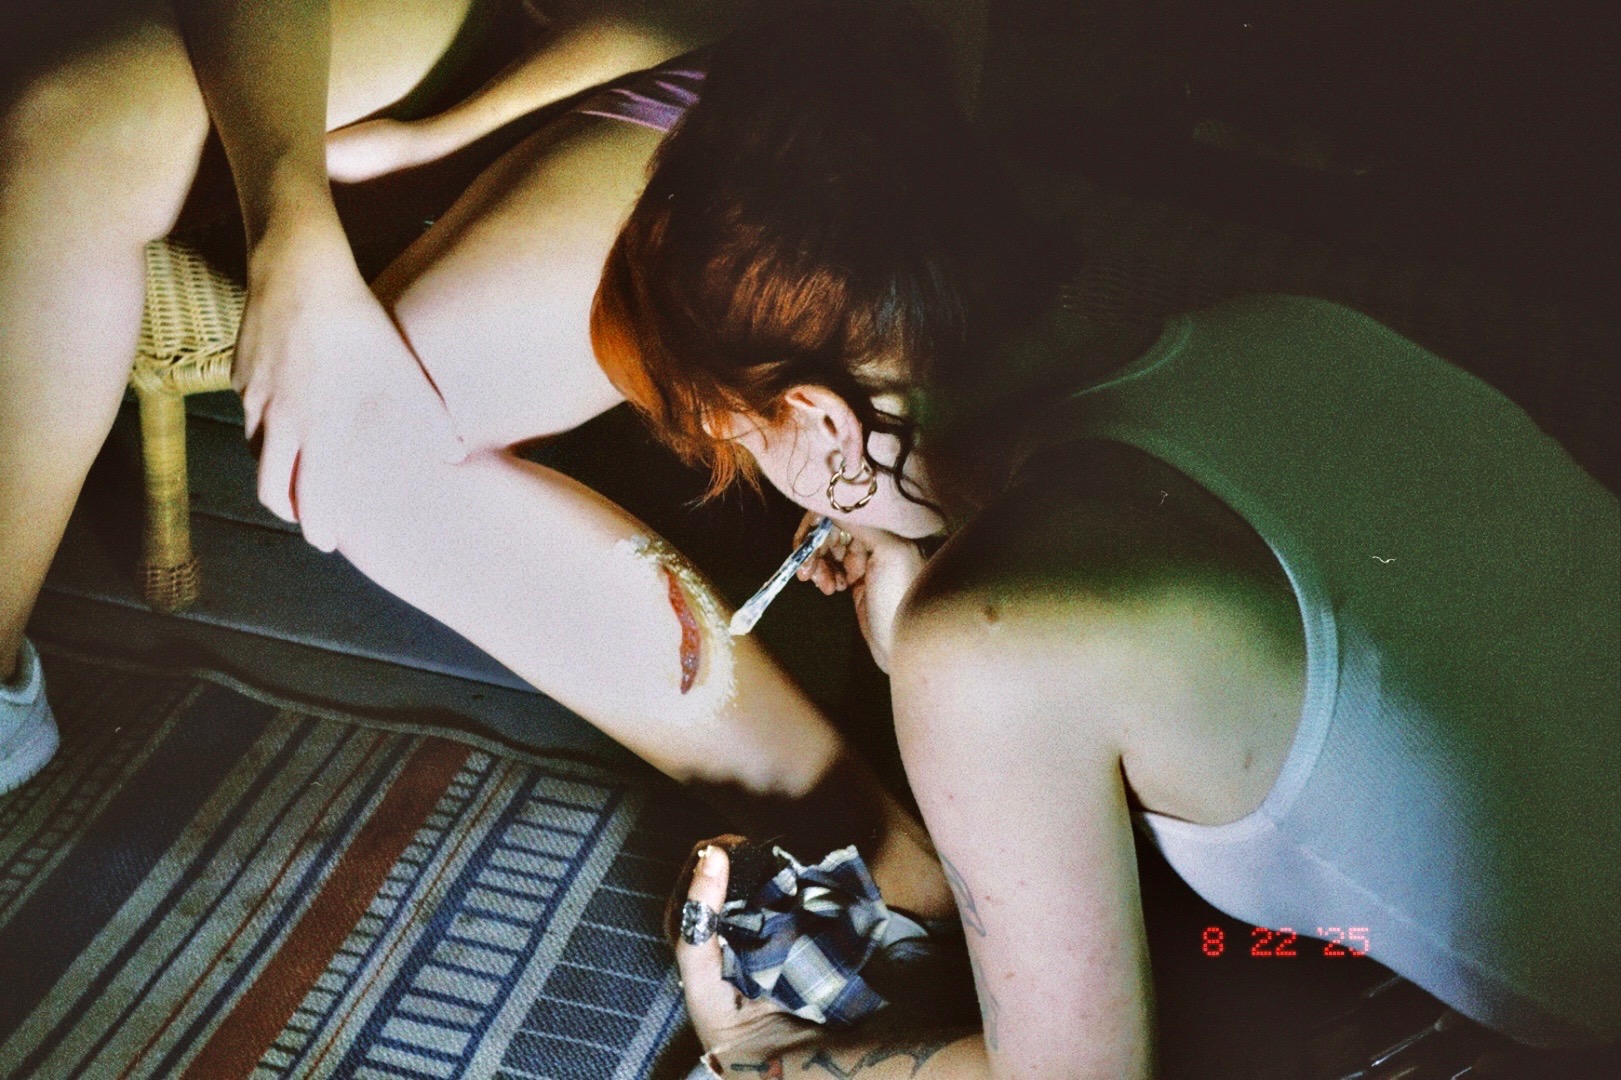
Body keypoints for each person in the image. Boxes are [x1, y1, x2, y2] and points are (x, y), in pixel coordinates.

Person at [582, 7, 1621, 1077]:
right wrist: (919, 586)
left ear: (822, 417)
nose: (753, 473)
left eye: (736, 441)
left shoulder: (990, 639)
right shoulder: (1288, 327)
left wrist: (762, 1051)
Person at [2, 0, 1017, 931]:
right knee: (72, 126)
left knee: (369, 444)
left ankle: (890, 866)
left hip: (758, 75)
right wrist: (294, 229)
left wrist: (460, 125)